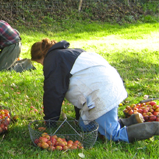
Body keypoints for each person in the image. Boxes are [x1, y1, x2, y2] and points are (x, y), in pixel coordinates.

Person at [30, 38, 159, 143]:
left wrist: (50, 121)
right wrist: (78, 115)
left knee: (113, 135)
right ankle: (130, 121)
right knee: (84, 125)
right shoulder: (69, 53)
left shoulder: (53, 59)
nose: (42, 67)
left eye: (39, 63)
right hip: (108, 85)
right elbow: (78, 85)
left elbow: (53, 91)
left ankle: (155, 127)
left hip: (102, 92)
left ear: (42, 57)